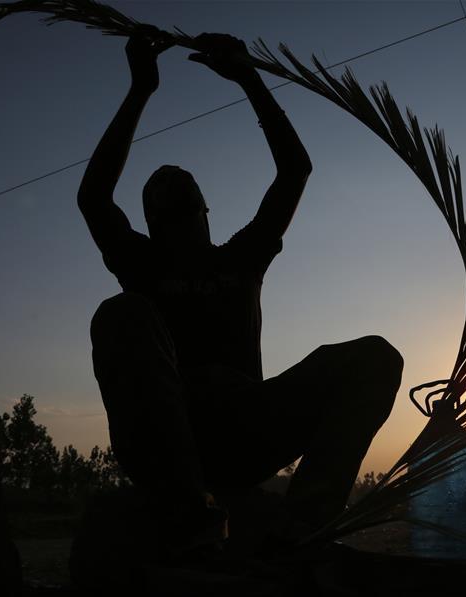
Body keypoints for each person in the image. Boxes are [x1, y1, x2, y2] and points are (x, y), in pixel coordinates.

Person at [78, 31, 403, 553]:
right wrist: (141, 89)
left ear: (206, 211)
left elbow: (295, 170)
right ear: (148, 221)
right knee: (121, 313)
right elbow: (93, 195)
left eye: (185, 192)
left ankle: (302, 527)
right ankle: (186, 514)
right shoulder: (139, 265)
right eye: (159, 196)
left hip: (246, 428)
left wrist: (249, 77)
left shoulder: (240, 257)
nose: (172, 187)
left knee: (374, 358)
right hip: (166, 438)